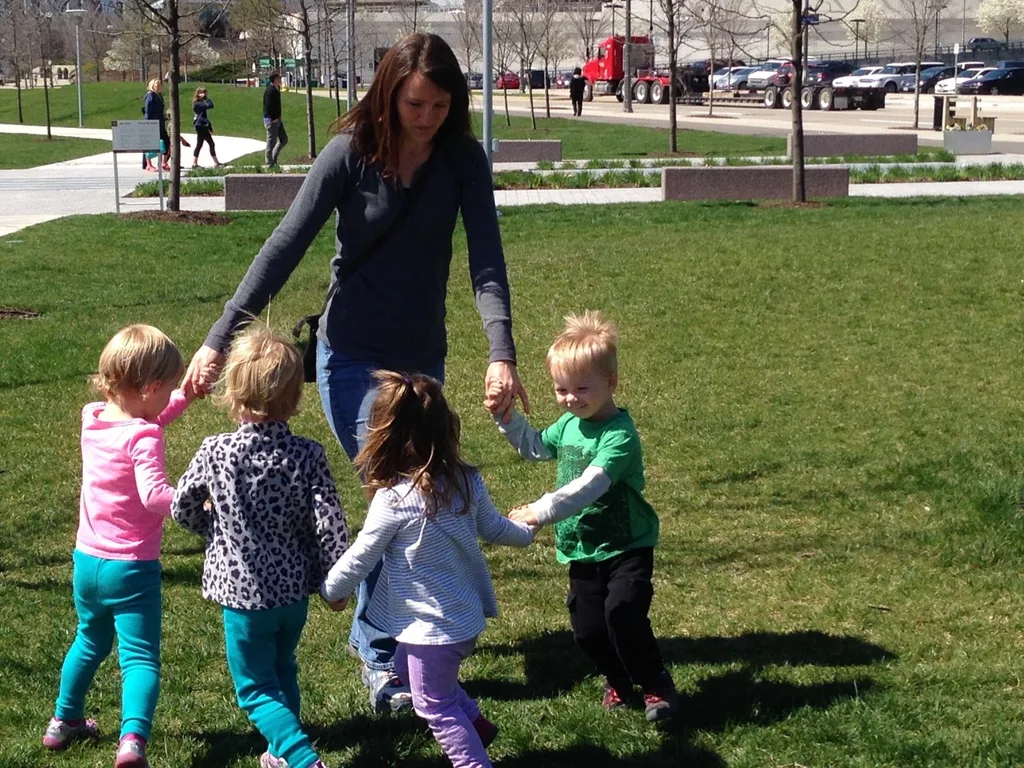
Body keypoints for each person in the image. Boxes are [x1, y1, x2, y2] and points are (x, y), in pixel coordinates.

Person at [183, 32, 530, 715]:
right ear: (389, 94)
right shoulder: (350, 154)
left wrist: (502, 351)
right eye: (414, 104)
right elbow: (285, 245)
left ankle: (388, 643)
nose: (426, 117)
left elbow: (486, 260)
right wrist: (219, 337)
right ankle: (381, 656)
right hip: (348, 355)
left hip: (420, 362)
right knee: (398, 494)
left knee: (405, 495)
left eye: (439, 106)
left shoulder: (462, 159)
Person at [322, 371, 534, 768]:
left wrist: (332, 588)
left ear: (381, 436)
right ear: (445, 429)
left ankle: (473, 762)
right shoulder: (466, 481)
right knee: (404, 666)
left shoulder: (393, 500)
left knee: (434, 705)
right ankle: (477, 726)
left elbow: (361, 556)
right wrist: (526, 531)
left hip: (430, 633)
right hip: (463, 621)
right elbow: (493, 528)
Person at [172, 324, 349, 768]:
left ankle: (302, 758)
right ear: (295, 397)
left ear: (232, 391)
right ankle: (278, 754)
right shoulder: (308, 454)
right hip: (292, 594)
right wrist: (337, 581)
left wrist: (212, 528)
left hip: (242, 596)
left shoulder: (216, 452)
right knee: (283, 666)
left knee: (254, 688)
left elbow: (181, 506)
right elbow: (330, 524)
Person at [493, 310, 680, 723]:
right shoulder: (569, 424)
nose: (570, 399)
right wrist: (506, 418)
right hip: (583, 546)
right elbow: (535, 447)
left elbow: (591, 485)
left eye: (581, 388)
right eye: (561, 389)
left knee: (623, 613)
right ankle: (618, 680)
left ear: (611, 383)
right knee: (588, 631)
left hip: (627, 544)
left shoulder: (620, 436)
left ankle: (655, 683)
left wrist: (540, 511)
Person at [42, 325, 202, 767]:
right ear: (150, 388)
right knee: (140, 658)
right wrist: (196, 502)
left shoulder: (93, 418)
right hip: (131, 567)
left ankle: (63, 720)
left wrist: (184, 397)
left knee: (89, 640)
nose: (169, 396)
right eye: (167, 388)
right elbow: (154, 495)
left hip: (87, 562)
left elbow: (143, 420)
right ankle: (132, 740)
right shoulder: (144, 437)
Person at [142, 79, 170, 172]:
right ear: (152, 85)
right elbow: (148, 111)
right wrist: (149, 124)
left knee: (166, 142)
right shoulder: (150, 95)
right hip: (152, 123)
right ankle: (148, 164)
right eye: (156, 84)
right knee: (150, 143)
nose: (158, 86)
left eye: (159, 84)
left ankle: (164, 163)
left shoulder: (159, 95)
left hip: (160, 122)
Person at [191, 87, 223, 169]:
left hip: (201, 125)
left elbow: (204, 117)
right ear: (199, 94)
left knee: (200, 144)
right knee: (210, 143)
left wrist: (209, 127)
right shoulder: (198, 104)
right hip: (200, 126)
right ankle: (216, 163)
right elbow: (211, 105)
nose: (205, 94)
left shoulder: (200, 103)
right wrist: (206, 98)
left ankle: (195, 163)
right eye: (204, 93)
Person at [263, 73, 288, 168]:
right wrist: (273, 118)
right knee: (271, 142)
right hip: (271, 120)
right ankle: (269, 164)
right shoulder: (270, 90)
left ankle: (274, 158)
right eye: (279, 78)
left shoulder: (277, 89)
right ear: (275, 79)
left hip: (277, 120)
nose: (280, 79)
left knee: (283, 139)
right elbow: (268, 106)